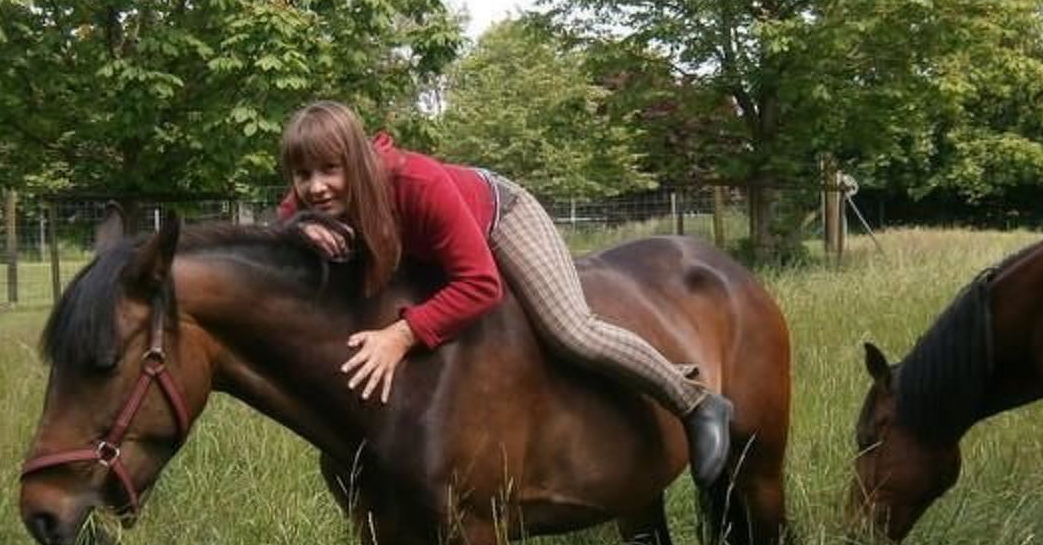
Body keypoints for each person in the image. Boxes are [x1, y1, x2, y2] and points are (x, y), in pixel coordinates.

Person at [276, 101, 736, 487]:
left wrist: (403, 334)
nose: (316, 187)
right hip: (429, 249)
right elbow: (281, 226)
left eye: (330, 169)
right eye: (303, 174)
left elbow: (480, 285)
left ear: (354, 161)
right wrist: (299, 230)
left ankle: (694, 402)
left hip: (500, 214)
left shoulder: (416, 184)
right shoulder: (309, 201)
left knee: (571, 330)